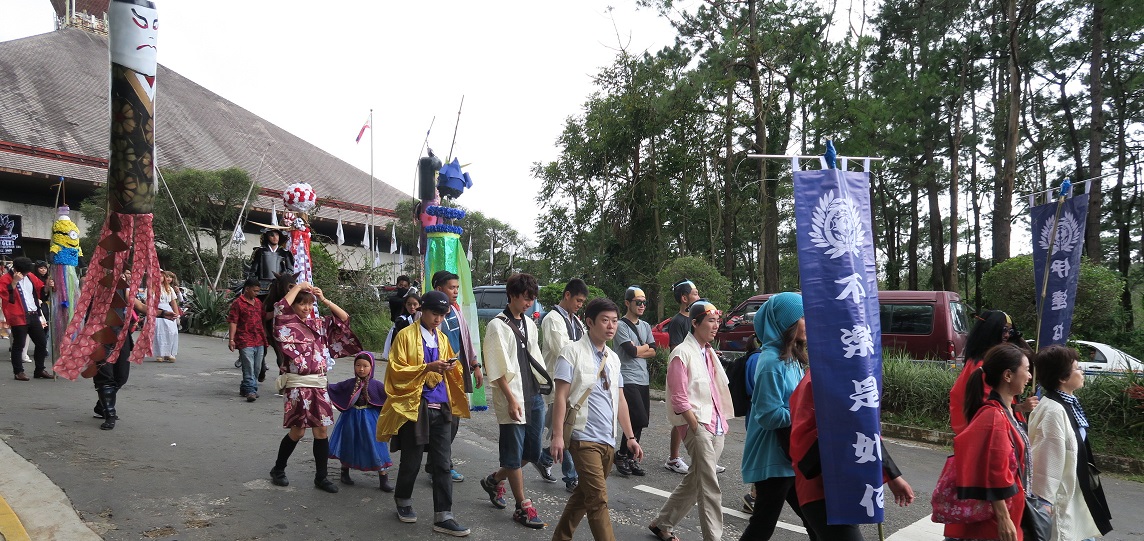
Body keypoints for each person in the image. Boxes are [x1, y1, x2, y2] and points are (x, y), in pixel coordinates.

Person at [376, 290, 472, 537]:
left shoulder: (441, 338)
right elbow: (395, 371)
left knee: (442, 462)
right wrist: (426, 367)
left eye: (442, 314)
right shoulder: (405, 336)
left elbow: (452, 369)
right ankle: (403, 500)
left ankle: (444, 515)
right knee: (412, 459)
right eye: (434, 313)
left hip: (441, 406)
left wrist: (451, 366)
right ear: (421, 310)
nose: (438, 318)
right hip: (415, 405)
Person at [550, 297, 644, 541]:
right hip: (583, 438)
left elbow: (620, 400)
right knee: (598, 500)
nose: (611, 326)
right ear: (589, 322)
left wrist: (630, 437)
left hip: (607, 440)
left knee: (584, 496)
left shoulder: (613, 358)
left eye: (614, 321)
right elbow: (560, 397)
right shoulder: (570, 353)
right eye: (605, 320)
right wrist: (557, 435)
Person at [648, 299, 734, 541]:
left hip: (716, 425)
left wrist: (719, 424)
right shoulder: (681, 353)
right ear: (695, 323)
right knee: (710, 487)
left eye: (718, 320)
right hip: (698, 426)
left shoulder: (708, 352)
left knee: (697, 480)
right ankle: (713, 537)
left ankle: (662, 523)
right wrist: (695, 426)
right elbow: (678, 397)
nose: (716, 326)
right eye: (711, 321)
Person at [268, 281, 361, 494]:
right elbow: (280, 307)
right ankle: (278, 469)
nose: (307, 308)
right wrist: (298, 286)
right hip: (298, 384)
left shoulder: (318, 324)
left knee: (321, 431)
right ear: (294, 305)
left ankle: (322, 477)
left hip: (318, 383)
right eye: (302, 304)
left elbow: (344, 319)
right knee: (298, 431)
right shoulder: (285, 324)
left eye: (310, 304)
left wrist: (324, 299)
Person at [739, 292, 817, 540]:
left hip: (789, 454)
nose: (808, 320)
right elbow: (768, 415)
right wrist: (806, 415)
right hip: (772, 456)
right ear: (786, 322)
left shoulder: (792, 358)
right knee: (763, 525)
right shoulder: (771, 362)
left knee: (816, 522)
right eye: (802, 316)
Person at [480, 272, 548, 529]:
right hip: (513, 396)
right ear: (512, 295)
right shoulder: (497, 325)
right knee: (513, 453)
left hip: (533, 395)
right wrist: (510, 399)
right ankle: (523, 506)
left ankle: (494, 480)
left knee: (530, 452)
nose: (528, 302)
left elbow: (536, 358)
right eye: (524, 297)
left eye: (532, 298)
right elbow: (496, 368)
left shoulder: (530, 324)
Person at [944, 342, 1032, 541]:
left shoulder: (1006, 410)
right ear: (1008, 375)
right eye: (1026, 370)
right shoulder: (994, 416)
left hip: (1009, 509)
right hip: (996, 516)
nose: (1029, 377)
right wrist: (1003, 518)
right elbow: (994, 472)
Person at [1029, 345, 1113, 540]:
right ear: (1062, 377)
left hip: (1075, 492)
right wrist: (1044, 505)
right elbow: (1046, 464)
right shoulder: (1054, 411)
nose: (1081, 371)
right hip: (1062, 500)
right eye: (1077, 368)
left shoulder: (1067, 402)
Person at [950, 310, 1038, 434]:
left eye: (1010, 331)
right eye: (1004, 330)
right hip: (989, 431)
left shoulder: (979, 361)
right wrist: (1020, 407)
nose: (1007, 335)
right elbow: (988, 408)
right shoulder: (982, 365)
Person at [433, 270, 484, 482]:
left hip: (458, 373)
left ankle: (437, 462)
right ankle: (442, 465)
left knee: (453, 420)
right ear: (439, 289)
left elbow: (466, 338)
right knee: (445, 421)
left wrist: (475, 364)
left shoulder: (455, 310)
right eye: (451, 288)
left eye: (456, 288)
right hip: (439, 375)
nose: (455, 292)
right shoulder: (430, 313)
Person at [537, 278, 588, 490]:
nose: (579, 305)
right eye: (578, 300)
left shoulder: (575, 321)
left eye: (583, 302)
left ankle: (544, 458)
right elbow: (564, 349)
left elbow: (586, 344)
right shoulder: (552, 319)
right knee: (563, 428)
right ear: (567, 295)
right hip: (555, 382)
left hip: (574, 382)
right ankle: (571, 476)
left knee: (565, 427)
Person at [329, 352, 394, 492]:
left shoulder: (376, 385)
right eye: (358, 365)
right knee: (348, 443)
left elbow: (389, 397)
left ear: (372, 367)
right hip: (350, 419)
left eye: (365, 366)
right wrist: (323, 383)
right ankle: (344, 472)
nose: (361, 369)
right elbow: (335, 389)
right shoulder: (349, 383)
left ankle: (383, 478)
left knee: (376, 445)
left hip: (371, 420)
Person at [611, 285, 655, 477]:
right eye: (638, 302)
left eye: (644, 302)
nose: (642, 305)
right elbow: (631, 352)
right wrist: (642, 349)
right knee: (638, 417)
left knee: (641, 421)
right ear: (628, 303)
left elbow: (653, 350)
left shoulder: (645, 326)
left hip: (643, 378)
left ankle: (630, 456)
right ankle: (621, 454)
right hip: (627, 378)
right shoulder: (620, 326)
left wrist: (641, 349)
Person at [662, 279, 701, 474]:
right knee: (681, 419)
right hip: (684, 375)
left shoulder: (696, 319)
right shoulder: (677, 321)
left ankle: (703, 458)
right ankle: (674, 458)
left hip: (697, 374)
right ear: (685, 298)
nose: (698, 296)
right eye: (694, 293)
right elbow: (676, 350)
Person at [1, 256, 53, 380]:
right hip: (17, 315)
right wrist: (14, 282)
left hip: (33, 313)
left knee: (41, 342)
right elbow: (4, 295)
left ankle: (39, 369)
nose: (25, 274)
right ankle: (18, 371)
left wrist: (48, 286)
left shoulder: (30, 276)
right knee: (19, 344)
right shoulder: (5, 278)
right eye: (23, 272)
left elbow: (41, 289)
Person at [227, 277, 267, 402]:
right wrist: (231, 339)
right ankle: (251, 390)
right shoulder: (238, 303)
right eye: (255, 291)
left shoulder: (258, 303)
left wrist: (279, 311)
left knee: (257, 367)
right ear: (247, 289)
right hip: (245, 339)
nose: (257, 293)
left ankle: (246, 387)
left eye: (258, 291)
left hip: (259, 339)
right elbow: (233, 321)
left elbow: (265, 317)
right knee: (248, 366)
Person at [152, 270, 181, 362]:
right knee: (159, 333)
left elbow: (173, 302)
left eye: (162, 276)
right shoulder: (151, 288)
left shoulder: (169, 288)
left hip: (168, 310)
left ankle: (169, 353)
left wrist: (177, 315)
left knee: (171, 332)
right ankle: (159, 354)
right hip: (157, 311)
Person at [382, 292, 420, 360]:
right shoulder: (401, 319)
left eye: (415, 304)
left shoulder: (423, 319)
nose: (412, 307)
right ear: (405, 305)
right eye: (409, 304)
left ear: (419, 305)